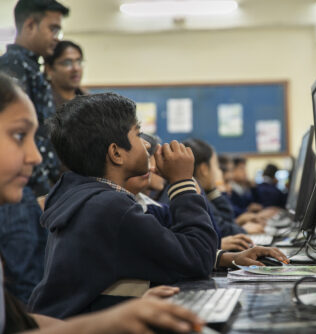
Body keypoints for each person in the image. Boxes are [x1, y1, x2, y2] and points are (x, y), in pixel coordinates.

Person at [0, 72, 205, 334]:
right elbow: (195, 257)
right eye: (19, 135)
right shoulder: (105, 206)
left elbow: (22, 324)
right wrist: (183, 183)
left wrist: (118, 313)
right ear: (115, 152)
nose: (36, 157)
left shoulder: (89, 198)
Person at [0, 0, 68, 303]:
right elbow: (31, 137)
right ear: (29, 25)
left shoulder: (32, 67)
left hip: (34, 185)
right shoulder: (12, 68)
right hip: (23, 187)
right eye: (52, 28)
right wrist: (41, 188)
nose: (56, 36)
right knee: (25, 275)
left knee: (38, 270)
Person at [183, 138, 265, 237]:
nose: (219, 172)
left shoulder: (200, 192)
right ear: (204, 169)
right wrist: (242, 230)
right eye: (216, 166)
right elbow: (221, 227)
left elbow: (225, 221)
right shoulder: (193, 196)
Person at [44, 40, 86, 107]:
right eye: (67, 63)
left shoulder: (87, 101)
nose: (76, 68)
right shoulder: (42, 102)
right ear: (49, 69)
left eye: (79, 62)